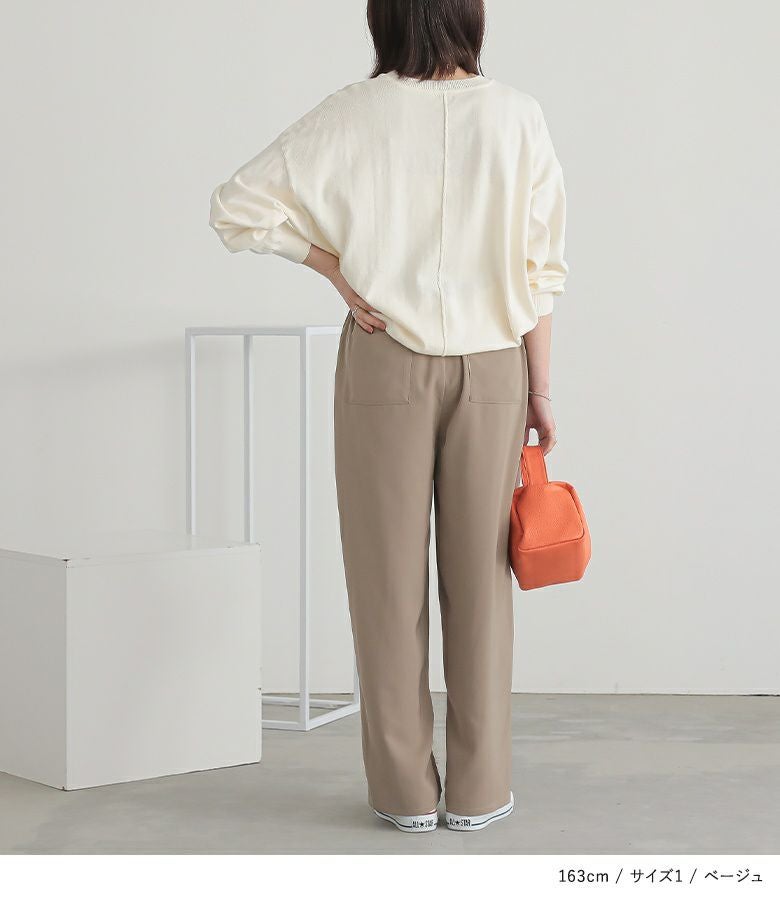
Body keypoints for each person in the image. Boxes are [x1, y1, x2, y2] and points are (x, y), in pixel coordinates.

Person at [209, 0, 567, 834]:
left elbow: (236, 206)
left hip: (383, 359)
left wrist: (335, 270)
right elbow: (541, 272)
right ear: (469, 17)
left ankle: (405, 793)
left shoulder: (352, 111)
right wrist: (541, 392)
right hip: (494, 367)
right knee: (482, 587)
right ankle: (478, 792)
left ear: (386, 20)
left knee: (385, 584)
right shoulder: (518, 116)